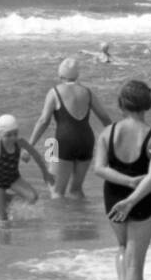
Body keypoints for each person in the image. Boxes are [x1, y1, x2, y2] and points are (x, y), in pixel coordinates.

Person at [93, 80, 151, 280]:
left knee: (123, 247)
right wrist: (132, 197)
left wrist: (125, 185)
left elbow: (99, 169)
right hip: (141, 201)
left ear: (121, 104)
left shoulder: (108, 133)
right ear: (147, 104)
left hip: (113, 198)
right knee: (136, 261)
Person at [28, 58, 112, 199]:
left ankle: (60, 221)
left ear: (60, 75)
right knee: (76, 190)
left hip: (63, 141)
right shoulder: (87, 92)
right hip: (86, 141)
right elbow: (105, 118)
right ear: (77, 75)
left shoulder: (54, 91)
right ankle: (82, 220)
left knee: (56, 190)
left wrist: (29, 147)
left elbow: (43, 121)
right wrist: (114, 142)